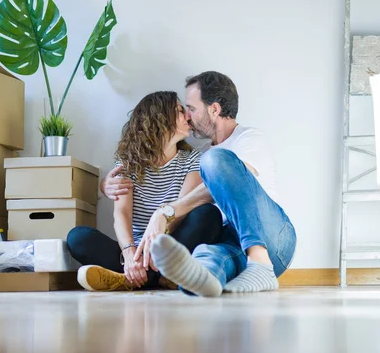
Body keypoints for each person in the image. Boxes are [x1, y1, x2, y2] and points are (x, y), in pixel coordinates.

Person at [102, 71, 297, 297]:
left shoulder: (248, 139)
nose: (188, 116)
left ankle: (260, 262)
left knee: (215, 161)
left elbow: (223, 182)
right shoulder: (201, 154)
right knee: (205, 257)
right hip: (231, 244)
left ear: (214, 109)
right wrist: (106, 184)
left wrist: (165, 212)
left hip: (271, 238)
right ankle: (202, 281)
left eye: (192, 109)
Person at [67, 91, 223, 291]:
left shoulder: (192, 160)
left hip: (170, 247)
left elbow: (180, 213)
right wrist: (130, 253)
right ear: (158, 118)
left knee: (207, 215)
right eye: (179, 111)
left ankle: (129, 279)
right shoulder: (128, 164)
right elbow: (121, 213)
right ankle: (156, 278)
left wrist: (152, 250)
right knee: (78, 237)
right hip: (133, 250)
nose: (188, 117)